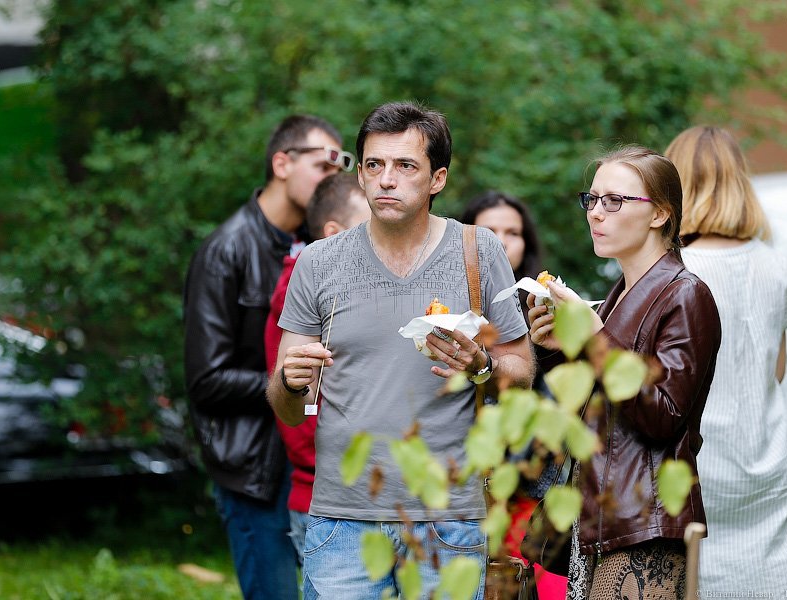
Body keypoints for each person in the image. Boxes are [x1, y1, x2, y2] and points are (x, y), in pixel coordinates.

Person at [267, 100, 534, 600]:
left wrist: (482, 366)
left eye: (405, 166)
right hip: (342, 519)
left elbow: (521, 370)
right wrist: (289, 381)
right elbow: (287, 409)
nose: (386, 179)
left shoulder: (478, 250)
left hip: (447, 520)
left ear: (437, 179)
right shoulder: (318, 264)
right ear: (362, 174)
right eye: (374, 165)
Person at [527, 145, 721, 599]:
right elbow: (600, 410)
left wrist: (592, 338)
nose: (596, 213)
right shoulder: (618, 295)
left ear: (659, 215)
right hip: (598, 514)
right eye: (591, 199)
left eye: (614, 200)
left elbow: (662, 416)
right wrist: (562, 350)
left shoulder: (686, 295)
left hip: (644, 522)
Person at [183, 115, 354, 600]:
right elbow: (206, 381)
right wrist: (294, 378)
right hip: (256, 468)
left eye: (343, 165)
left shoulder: (316, 243)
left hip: (310, 461)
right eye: (325, 164)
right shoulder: (226, 250)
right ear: (282, 163)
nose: (335, 178)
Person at [665, 125, 787, 596]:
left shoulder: (673, 272)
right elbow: (777, 371)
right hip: (768, 464)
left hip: (696, 469)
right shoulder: (779, 269)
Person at [460, 191, 567, 599]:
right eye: (490, 231)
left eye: (513, 232)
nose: (502, 241)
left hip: (533, 485)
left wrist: (550, 347)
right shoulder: (451, 311)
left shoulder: (547, 308)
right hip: (469, 491)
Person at [263, 172, 371, 569]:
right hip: (325, 495)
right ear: (333, 233)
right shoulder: (303, 286)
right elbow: (302, 401)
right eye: (369, 222)